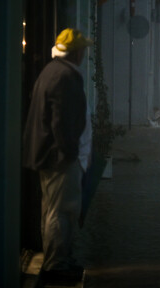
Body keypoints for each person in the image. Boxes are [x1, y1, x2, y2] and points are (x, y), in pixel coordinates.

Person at [23, 27, 93, 284]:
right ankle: (57, 265)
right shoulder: (65, 77)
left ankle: (57, 259)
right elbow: (61, 122)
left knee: (53, 211)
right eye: (83, 49)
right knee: (62, 211)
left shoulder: (52, 72)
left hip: (50, 156)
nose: (85, 53)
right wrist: (70, 154)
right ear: (75, 53)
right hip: (60, 159)